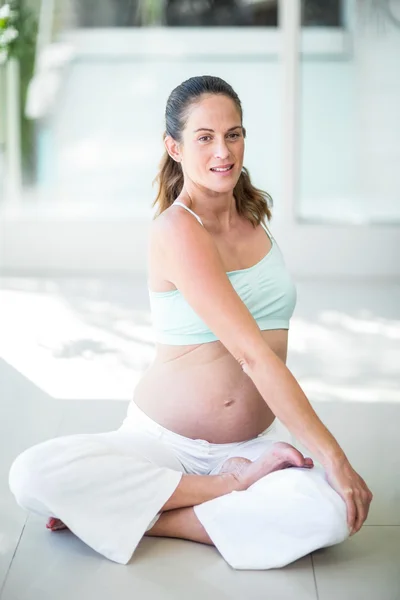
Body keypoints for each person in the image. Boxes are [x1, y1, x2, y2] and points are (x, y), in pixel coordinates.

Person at [8, 75, 373, 569]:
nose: (223, 151)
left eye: (234, 134)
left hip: (251, 446)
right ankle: (221, 493)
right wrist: (334, 458)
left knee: (329, 514)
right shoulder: (177, 229)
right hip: (161, 442)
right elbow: (253, 355)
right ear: (174, 147)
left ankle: (136, 515)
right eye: (205, 137)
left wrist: (311, 468)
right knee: (32, 475)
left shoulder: (251, 215)